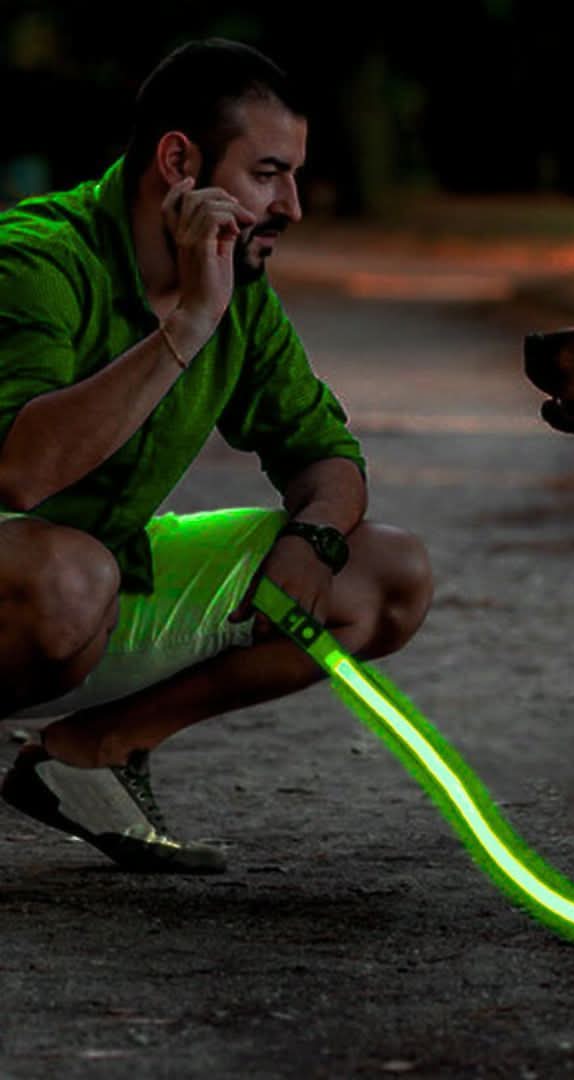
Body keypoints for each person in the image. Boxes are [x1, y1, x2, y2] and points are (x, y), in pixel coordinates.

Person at [0, 39, 433, 873]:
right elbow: (22, 470)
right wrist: (186, 326)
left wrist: (313, 543)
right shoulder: (37, 260)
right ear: (178, 162)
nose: (294, 206)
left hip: (89, 599)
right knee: (67, 578)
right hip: (36, 588)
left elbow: (327, 458)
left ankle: (93, 757)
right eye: (268, 173)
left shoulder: (239, 290)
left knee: (385, 572)